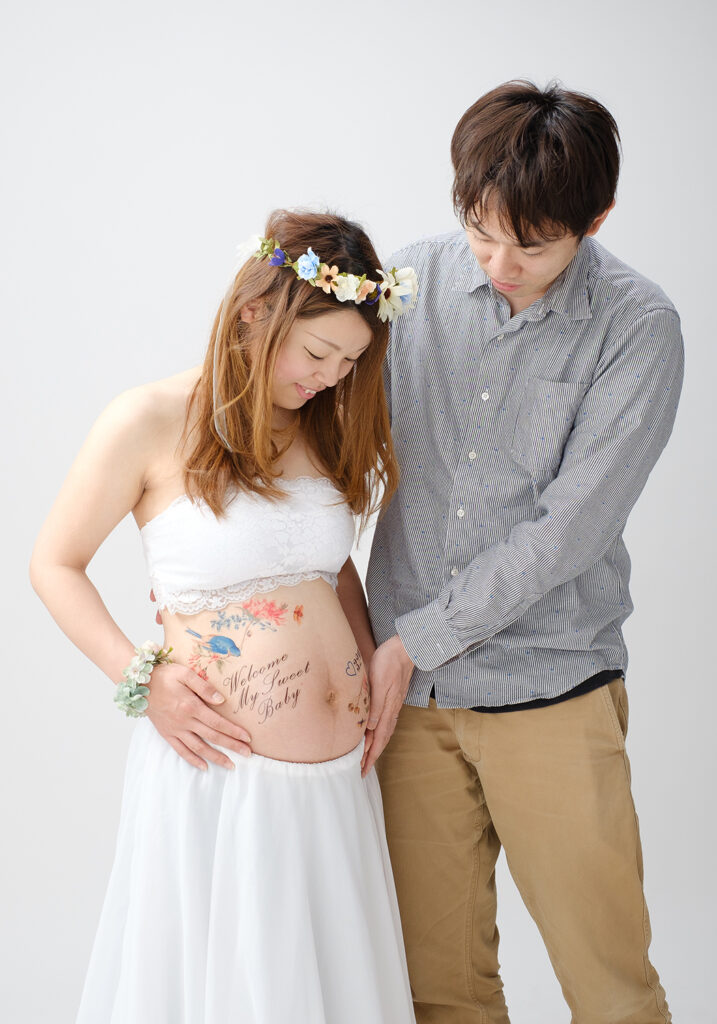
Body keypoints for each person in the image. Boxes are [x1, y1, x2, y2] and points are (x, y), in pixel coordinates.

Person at [30, 209, 418, 1023]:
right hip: (223, 779)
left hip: (338, 784)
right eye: (318, 353)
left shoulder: (316, 425)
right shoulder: (145, 419)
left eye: (349, 363)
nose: (330, 378)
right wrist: (142, 680)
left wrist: (367, 665)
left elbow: (329, 567)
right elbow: (54, 565)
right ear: (254, 313)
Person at [362, 82, 683, 1023]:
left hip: (550, 686)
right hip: (407, 706)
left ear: (596, 219)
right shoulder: (407, 283)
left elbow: (569, 530)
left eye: (532, 245)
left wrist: (416, 638)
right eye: (479, 231)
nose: (499, 263)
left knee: (610, 990)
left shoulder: (637, 326)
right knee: (439, 992)